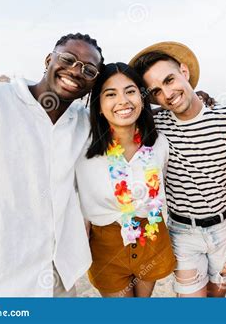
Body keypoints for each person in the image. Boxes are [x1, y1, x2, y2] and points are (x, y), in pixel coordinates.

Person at [0, 33, 103, 297]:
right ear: (48, 59)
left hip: (59, 281)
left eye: (88, 70)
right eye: (68, 59)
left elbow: (125, 114)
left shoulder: (83, 123)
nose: (76, 71)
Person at [129, 42, 226, 297]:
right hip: (183, 232)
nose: (167, 93)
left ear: (184, 72)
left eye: (170, 80)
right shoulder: (155, 125)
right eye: (156, 91)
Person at [75, 62, 176, 297]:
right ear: (99, 105)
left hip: (151, 236)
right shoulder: (82, 145)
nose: (123, 101)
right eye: (111, 94)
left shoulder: (159, 143)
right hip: (106, 244)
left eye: (130, 91)